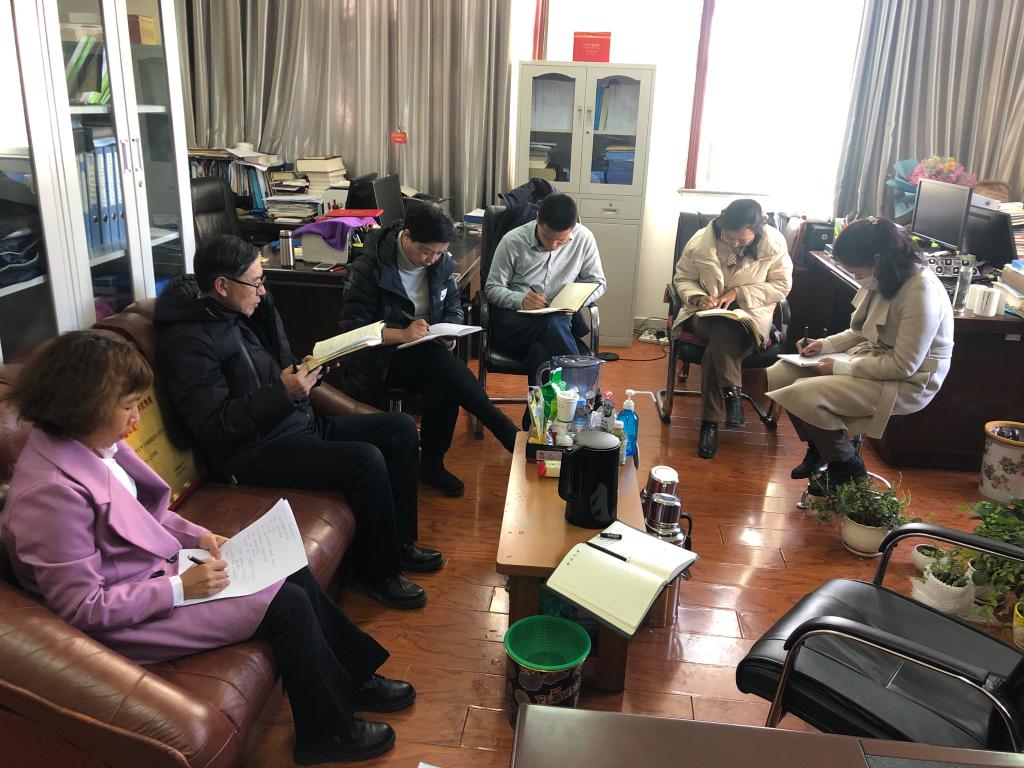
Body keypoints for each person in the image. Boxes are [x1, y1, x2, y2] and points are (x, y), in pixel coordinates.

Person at [0, 331, 412, 764]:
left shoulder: (92, 442)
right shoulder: (49, 494)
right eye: (128, 406)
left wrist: (199, 536)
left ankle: (355, 679)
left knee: (290, 566)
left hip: (153, 575)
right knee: (286, 605)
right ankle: (326, 735)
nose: (136, 418)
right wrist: (181, 588)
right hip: (126, 619)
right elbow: (82, 607)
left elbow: (143, 514)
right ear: (83, 406)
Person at [154, 235, 439, 611]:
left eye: (262, 279)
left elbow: (272, 372)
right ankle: (377, 574)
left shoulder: (248, 312)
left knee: (399, 428)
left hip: (293, 423)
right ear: (222, 286)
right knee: (365, 460)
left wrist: (307, 372)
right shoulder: (188, 340)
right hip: (251, 452)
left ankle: (400, 545)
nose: (262, 290)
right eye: (254, 282)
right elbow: (213, 426)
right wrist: (283, 394)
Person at [339, 202, 518, 498]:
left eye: (438, 253)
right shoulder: (369, 268)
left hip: (426, 352)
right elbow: (352, 332)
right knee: (439, 366)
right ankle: (501, 428)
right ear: (407, 236)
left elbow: (453, 306)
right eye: (426, 252)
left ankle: (432, 465)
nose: (432, 259)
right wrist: (402, 334)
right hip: (380, 360)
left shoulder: (440, 263)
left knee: (443, 381)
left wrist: (449, 331)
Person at [766, 217, 953, 493]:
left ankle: (847, 467)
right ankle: (823, 448)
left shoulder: (921, 291)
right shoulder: (885, 275)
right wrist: (825, 345)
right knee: (781, 374)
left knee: (804, 395)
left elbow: (904, 365)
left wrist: (838, 368)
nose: (857, 278)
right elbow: (861, 330)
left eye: (857, 272)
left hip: (908, 381)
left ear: (877, 260)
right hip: (873, 361)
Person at [671, 199, 793, 459]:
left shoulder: (774, 244)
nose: (735, 244)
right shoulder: (700, 242)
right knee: (722, 329)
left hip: (751, 315)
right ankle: (731, 396)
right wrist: (697, 297)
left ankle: (711, 422)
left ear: (757, 231)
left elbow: (781, 286)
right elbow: (683, 278)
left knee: (718, 345)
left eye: (742, 241)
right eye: (729, 238)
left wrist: (739, 293)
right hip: (705, 316)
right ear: (722, 224)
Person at [484, 192, 607, 395]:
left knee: (541, 352)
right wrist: (520, 300)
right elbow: (491, 288)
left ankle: (537, 412)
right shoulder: (513, 241)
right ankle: (587, 390)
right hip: (514, 322)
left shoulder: (584, 239)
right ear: (538, 219)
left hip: (558, 326)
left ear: (573, 228)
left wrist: (578, 300)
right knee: (551, 323)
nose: (552, 246)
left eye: (561, 241)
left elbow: (598, 283)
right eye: (547, 237)